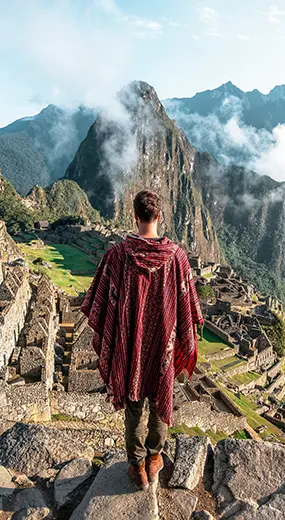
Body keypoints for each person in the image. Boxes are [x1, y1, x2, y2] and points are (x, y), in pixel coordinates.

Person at [81, 189, 203, 490]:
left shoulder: (117, 255)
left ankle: (137, 466)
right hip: (164, 345)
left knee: (134, 406)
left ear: (134, 216)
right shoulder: (177, 258)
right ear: (159, 216)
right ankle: (154, 457)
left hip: (129, 347)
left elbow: (99, 305)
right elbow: (188, 307)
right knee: (163, 398)